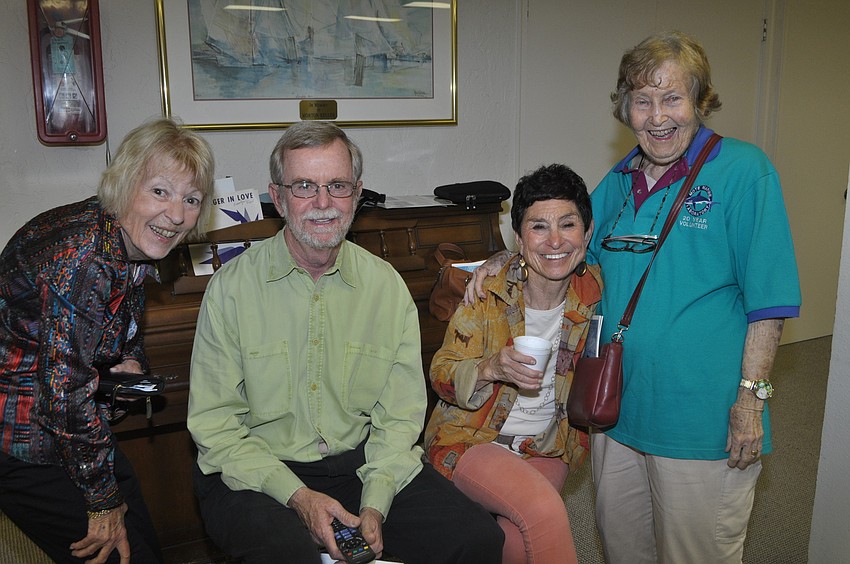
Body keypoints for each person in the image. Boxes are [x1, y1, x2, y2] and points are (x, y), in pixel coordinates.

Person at [467, 31, 801, 564]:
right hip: (615, 410)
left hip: (700, 416)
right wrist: (508, 258)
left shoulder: (743, 171)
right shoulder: (619, 181)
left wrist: (750, 402)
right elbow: (566, 244)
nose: (658, 115)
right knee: (623, 549)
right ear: (626, 110)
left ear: (700, 101)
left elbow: (770, 304)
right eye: (643, 101)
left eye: (673, 98)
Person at [186, 121, 503, 564]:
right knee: (284, 555)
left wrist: (375, 502)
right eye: (304, 187)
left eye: (337, 186)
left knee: (476, 539)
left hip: (360, 462)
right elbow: (217, 430)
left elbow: (398, 418)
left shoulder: (386, 287)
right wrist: (298, 497)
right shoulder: (231, 289)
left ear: (356, 195)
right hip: (256, 469)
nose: (322, 203)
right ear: (277, 198)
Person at [0, 117, 215, 563]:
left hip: (63, 423)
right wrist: (101, 503)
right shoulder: (84, 258)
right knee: (119, 549)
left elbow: (117, 321)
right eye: (160, 191)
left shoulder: (123, 237)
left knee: (139, 533)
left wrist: (129, 361)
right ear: (123, 185)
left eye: (190, 199)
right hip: (21, 437)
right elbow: (63, 395)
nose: (176, 215)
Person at [425, 164, 602, 564]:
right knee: (543, 511)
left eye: (568, 224)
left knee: (513, 541)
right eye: (538, 227)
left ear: (587, 233)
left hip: (548, 445)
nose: (555, 240)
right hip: (471, 439)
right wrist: (490, 368)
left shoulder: (597, 292)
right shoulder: (486, 291)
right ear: (520, 238)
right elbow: (440, 374)